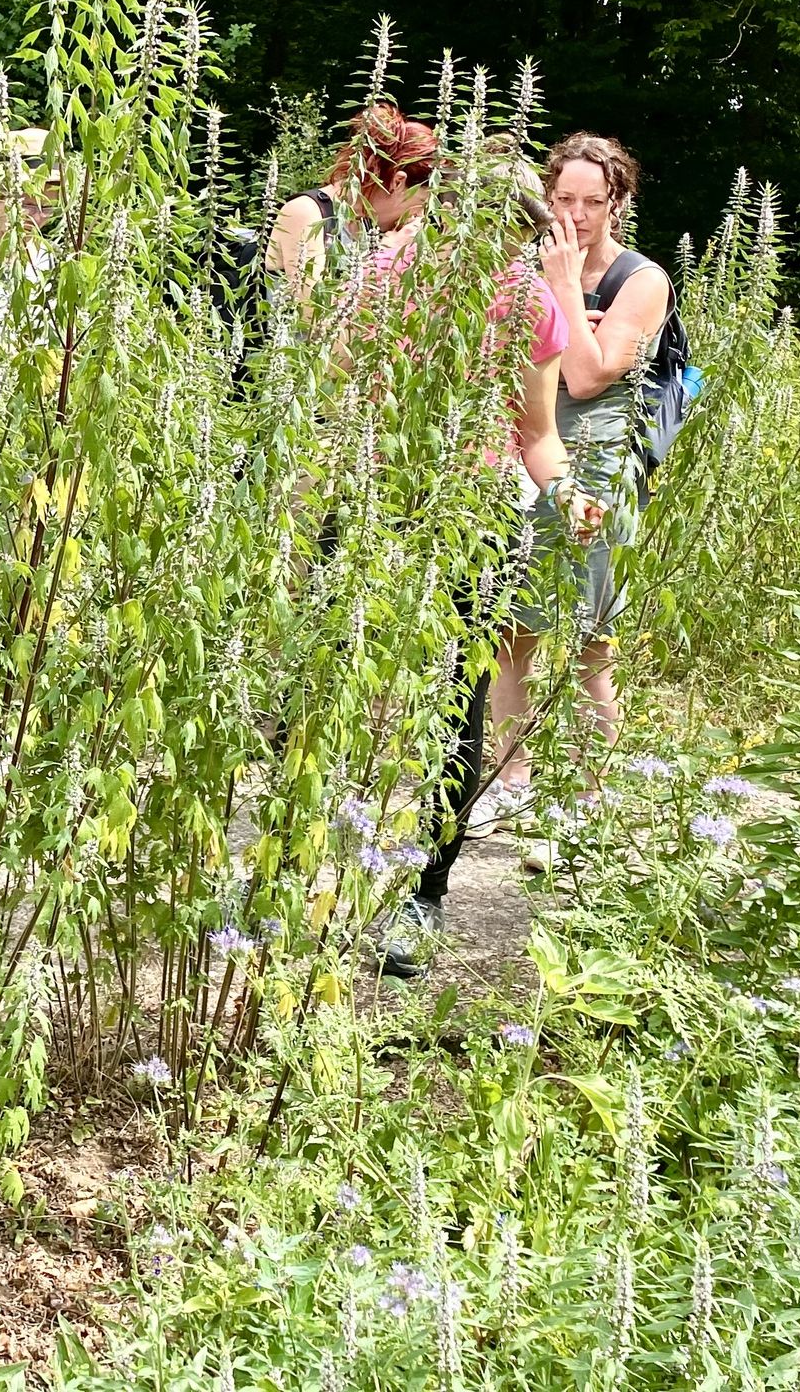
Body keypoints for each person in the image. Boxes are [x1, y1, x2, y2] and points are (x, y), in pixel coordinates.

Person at [308, 113, 597, 979]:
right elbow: (339, 380)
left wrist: (573, 495)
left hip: (474, 517)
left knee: (455, 708)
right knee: (331, 680)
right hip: (377, 502)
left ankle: (423, 897)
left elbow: (536, 432)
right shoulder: (393, 268)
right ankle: (302, 876)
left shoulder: (529, 300)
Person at [482, 133, 671, 832]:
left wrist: (561, 290)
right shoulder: (518, 266)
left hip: (602, 466)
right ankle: (511, 778)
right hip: (532, 457)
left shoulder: (640, 280)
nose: (577, 214)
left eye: (595, 201)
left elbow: (590, 376)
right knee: (513, 633)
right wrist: (571, 323)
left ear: (619, 201)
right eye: (564, 199)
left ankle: (591, 795)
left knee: (592, 640)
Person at [264, 107, 440, 293]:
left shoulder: (366, 225)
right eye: (420, 204)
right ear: (397, 182)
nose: (418, 216)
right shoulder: (305, 213)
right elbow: (310, 316)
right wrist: (388, 255)